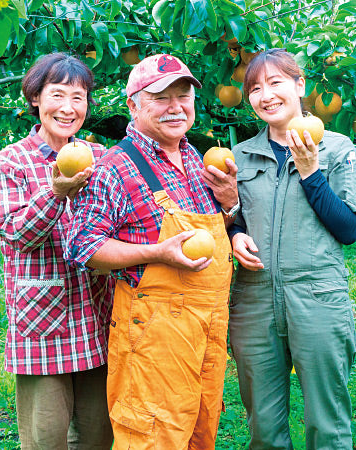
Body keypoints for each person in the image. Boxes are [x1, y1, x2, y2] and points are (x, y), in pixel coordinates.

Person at [65, 53, 239, 449]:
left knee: (200, 428)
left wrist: (229, 206)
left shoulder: (195, 157)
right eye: (161, 97)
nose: (176, 107)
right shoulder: (115, 166)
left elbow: (207, 235)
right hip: (154, 332)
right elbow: (84, 247)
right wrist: (158, 253)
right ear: (134, 104)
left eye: (184, 96)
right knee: (152, 436)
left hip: (207, 325)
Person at [229, 48, 356, 450]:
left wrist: (310, 172)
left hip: (318, 297)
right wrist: (235, 233)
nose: (265, 95)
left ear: (299, 85)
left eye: (275, 83)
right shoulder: (240, 156)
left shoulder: (337, 149)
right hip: (254, 302)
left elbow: (349, 229)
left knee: (327, 423)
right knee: (264, 428)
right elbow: (238, 217)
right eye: (254, 88)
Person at [0, 53, 114, 449]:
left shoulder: (101, 157)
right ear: (35, 99)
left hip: (96, 317)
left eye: (78, 97)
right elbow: (16, 233)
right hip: (42, 324)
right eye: (57, 95)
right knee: (46, 438)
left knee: (98, 435)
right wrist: (56, 193)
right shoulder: (10, 161)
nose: (68, 108)